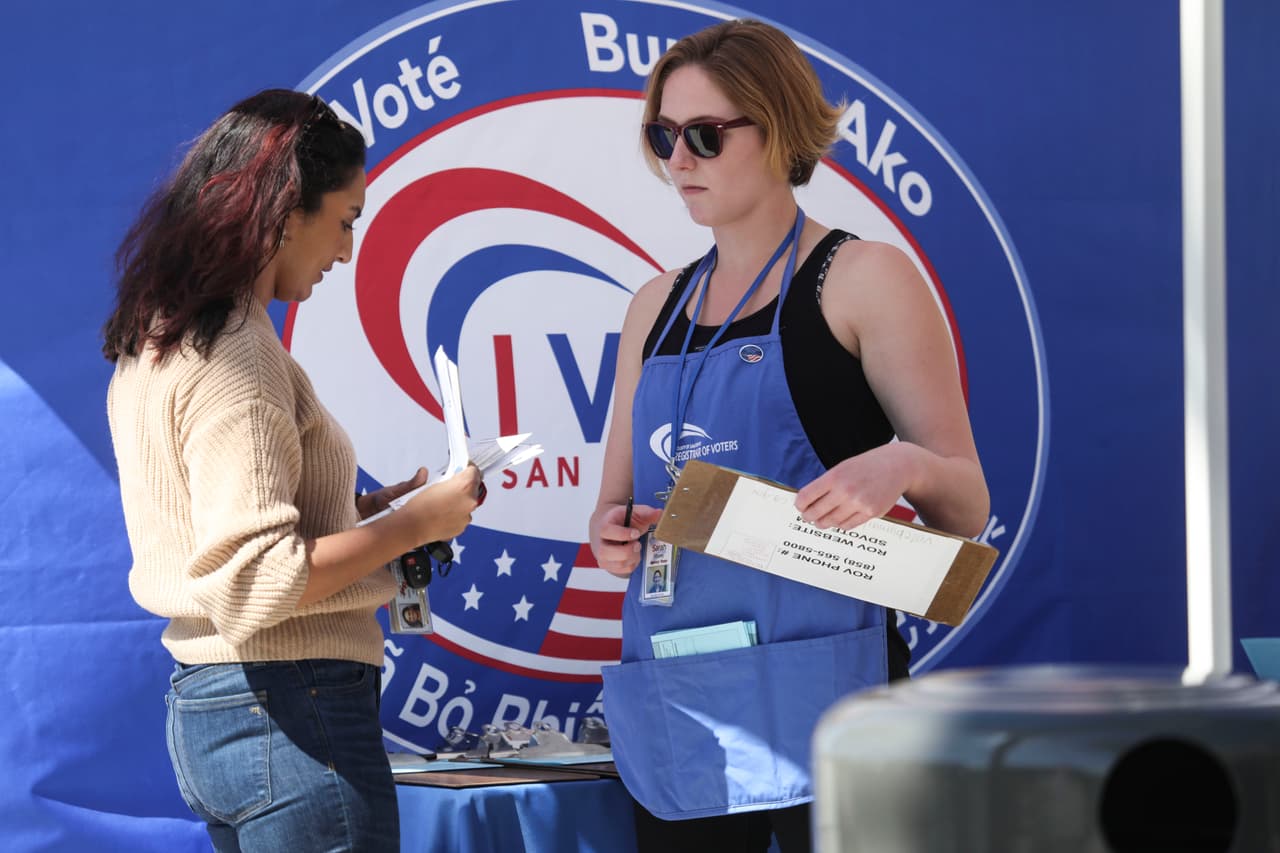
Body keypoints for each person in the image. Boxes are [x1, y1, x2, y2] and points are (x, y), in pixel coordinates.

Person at [588, 20, 989, 853]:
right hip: (685, 703)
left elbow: (967, 506)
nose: (678, 160)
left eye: (703, 134)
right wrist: (613, 535)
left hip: (833, 707)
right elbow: (614, 510)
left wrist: (902, 463)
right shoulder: (649, 307)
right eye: (662, 135)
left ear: (780, 132)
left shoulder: (863, 278)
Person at [102, 89, 482, 852]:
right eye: (345, 221)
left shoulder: (163, 337)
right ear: (282, 213)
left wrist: (367, 510)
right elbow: (256, 580)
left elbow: (220, 530)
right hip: (291, 713)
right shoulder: (236, 352)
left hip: (227, 713)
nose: (346, 251)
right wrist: (418, 522)